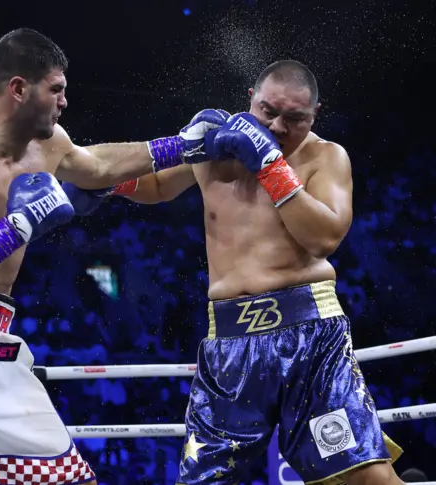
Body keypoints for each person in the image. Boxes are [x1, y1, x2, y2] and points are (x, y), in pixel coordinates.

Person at [0, 28, 228, 485]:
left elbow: (98, 168)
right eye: (56, 89)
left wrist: (185, 145)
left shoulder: (48, 145)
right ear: (18, 89)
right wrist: (15, 228)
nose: (64, 101)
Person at [62, 60, 405, 485]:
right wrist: (110, 184)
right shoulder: (213, 148)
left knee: (365, 478)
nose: (279, 126)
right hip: (229, 343)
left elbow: (324, 237)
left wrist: (270, 165)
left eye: (295, 118)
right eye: (268, 111)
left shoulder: (326, 157)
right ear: (251, 99)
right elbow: (156, 185)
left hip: (310, 336)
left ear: (316, 113)